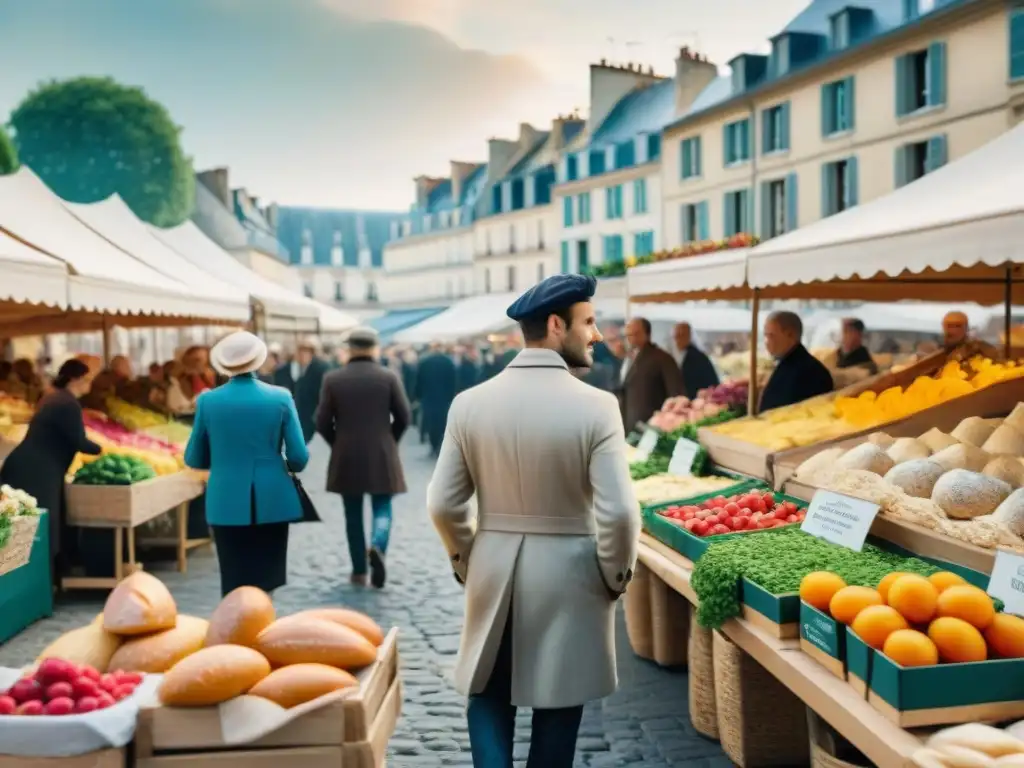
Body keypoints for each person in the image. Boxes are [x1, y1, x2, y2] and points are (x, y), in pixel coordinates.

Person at [427, 273, 639, 768]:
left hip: (492, 569)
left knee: (487, 692)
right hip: (571, 574)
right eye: (588, 322)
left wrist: (467, 559)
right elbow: (621, 512)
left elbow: (442, 504)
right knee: (560, 709)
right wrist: (613, 576)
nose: (598, 334)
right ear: (554, 325)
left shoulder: (469, 404)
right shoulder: (598, 405)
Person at [183, 331, 309, 597]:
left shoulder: (207, 401)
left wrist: (222, 458)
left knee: (234, 576)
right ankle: (262, 627)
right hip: (273, 495)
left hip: (225, 496)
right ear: (258, 360)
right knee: (267, 577)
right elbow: (299, 457)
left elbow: (194, 458)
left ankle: (236, 630)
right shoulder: (281, 397)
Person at [316, 327, 410, 588]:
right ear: (374, 349)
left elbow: (321, 421)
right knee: (383, 506)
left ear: (349, 350)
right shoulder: (388, 377)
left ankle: (358, 570)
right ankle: (378, 546)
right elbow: (404, 416)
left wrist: (338, 443)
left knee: (352, 513)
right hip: (381, 450)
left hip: (347, 453)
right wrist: (390, 440)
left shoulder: (333, 379)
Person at [0, 359, 102, 581]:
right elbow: (79, 441)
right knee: (42, 527)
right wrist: (103, 451)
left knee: (36, 525)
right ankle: (40, 581)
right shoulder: (66, 403)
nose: (89, 385)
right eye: (87, 380)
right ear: (74, 379)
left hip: (32, 466)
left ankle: (45, 578)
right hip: (37, 471)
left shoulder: (55, 397)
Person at [759, 310, 834, 412]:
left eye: (771, 336)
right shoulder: (788, 364)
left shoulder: (811, 372)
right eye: (766, 336)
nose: (767, 343)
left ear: (790, 335)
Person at [619, 317, 684, 429]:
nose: (631, 338)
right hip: (628, 423)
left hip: (652, 425)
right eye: (628, 335)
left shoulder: (663, 358)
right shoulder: (628, 358)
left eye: (636, 334)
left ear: (648, 334)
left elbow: (676, 394)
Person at [416, 343, 457, 456]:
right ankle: (441, 445)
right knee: (443, 422)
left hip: (429, 397)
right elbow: (453, 381)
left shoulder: (425, 362)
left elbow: (419, 380)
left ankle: (433, 446)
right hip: (444, 398)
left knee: (431, 423)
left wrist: (418, 396)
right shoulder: (448, 362)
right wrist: (452, 395)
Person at [293, 337, 330, 444]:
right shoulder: (301, 367)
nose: (298, 356)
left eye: (302, 351)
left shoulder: (321, 368)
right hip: (304, 419)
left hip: (314, 420)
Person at [673, 322, 720, 399]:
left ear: (689, 336)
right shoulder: (676, 354)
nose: (678, 339)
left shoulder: (698, 357)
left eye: (682, 335)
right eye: (676, 336)